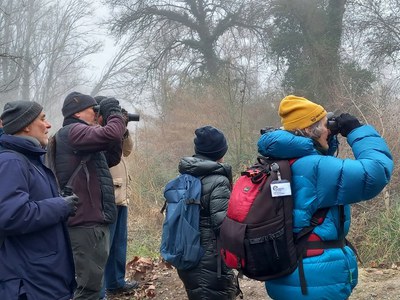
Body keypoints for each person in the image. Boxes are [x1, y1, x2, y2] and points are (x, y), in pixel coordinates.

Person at [257, 95, 393, 300]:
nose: (330, 129)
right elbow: (376, 172)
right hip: (313, 281)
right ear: (311, 130)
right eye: (324, 124)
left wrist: (325, 142)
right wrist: (356, 130)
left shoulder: (277, 161)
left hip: (287, 273)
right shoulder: (316, 167)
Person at [51, 92, 127, 300]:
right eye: (92, 110)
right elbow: (110, 134)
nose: (96, 113)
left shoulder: (78, 136)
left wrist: (119, 129)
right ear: (76, 113)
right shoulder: (74, 131)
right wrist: (113, 113)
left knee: (92, 284)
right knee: (88, 289)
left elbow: (110, 158)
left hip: (89, 219)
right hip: (85, 222)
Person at [0, 101, 77, 300]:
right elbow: (11, 216)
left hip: (44, 276)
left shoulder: (31, 160)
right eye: (42, 119)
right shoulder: (12, 162)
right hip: (32, 283)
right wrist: (60, 206)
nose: (49, 125)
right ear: (26, 125)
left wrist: (59, 199)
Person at [176, 125, 238, 300]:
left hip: (187, 251)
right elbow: (223, 225)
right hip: (211, 259)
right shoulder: (218, 181)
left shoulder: (184, 177)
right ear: (220, 153)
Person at [94, 96, 139, 299]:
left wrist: (124, 128)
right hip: (107, 195)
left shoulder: (116, 130)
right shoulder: (97, 132)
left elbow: (127, 151)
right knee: (104, 247)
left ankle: (116, 282)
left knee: (119, 244)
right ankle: (101, 289)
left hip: (121, 195)